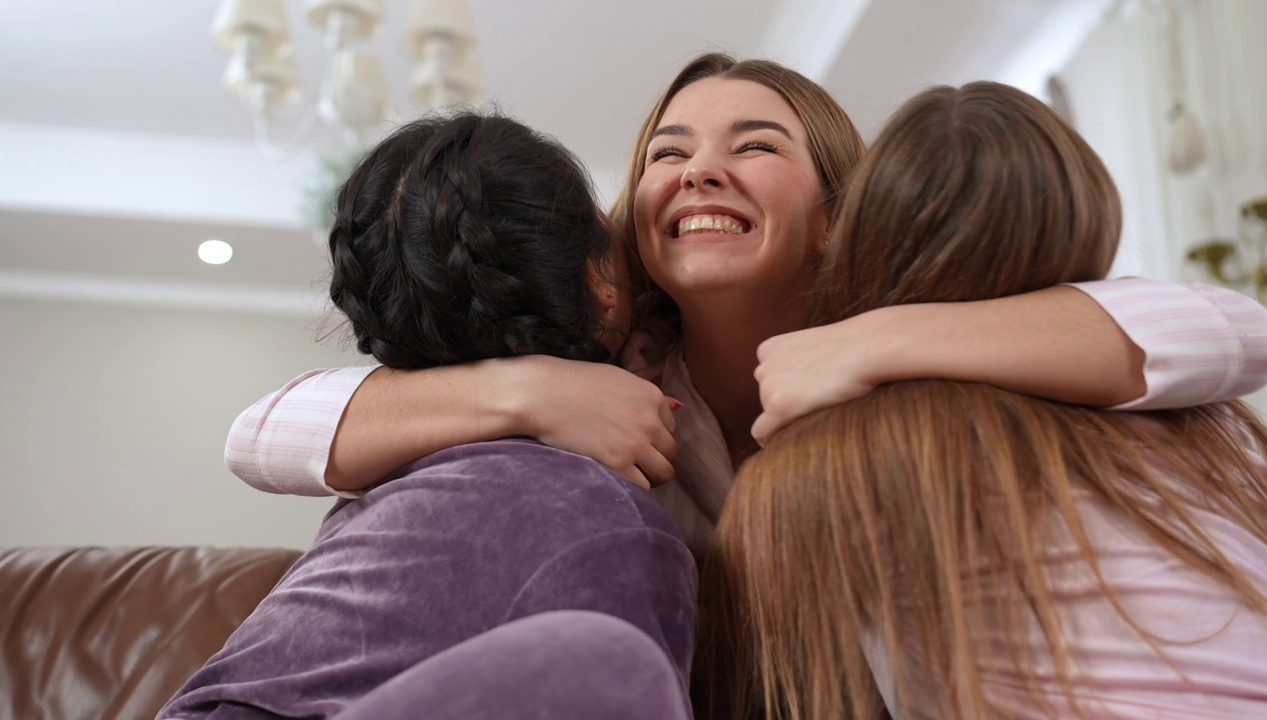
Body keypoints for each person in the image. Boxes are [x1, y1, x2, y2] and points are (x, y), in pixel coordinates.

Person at [224, 53, 1267, 555]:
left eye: (753, 147)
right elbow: (264, 435)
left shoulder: (930, 348)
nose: (698, 173)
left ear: (831, 209)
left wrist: (877, 341)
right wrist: (520, 389)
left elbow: (1228, 330)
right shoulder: (606, 374)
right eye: (667, 155)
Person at [706, 81, 1267, 720]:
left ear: (856, 233)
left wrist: (875, 338)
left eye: (754, 145)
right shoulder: (1215, 426)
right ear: (1089, 224)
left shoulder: (804, 476)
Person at [159, 113, 694, 720]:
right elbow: (256, 435)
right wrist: (530, 387)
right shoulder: (611, 524)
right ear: (599, 276)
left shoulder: (399, 471)